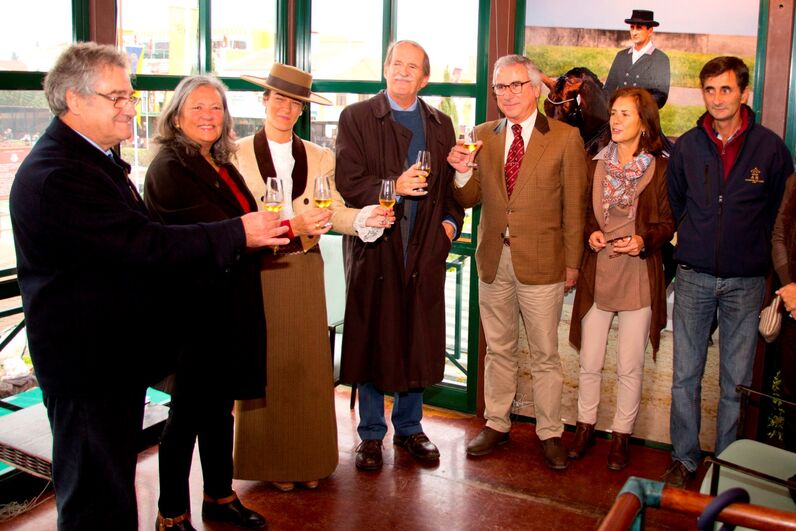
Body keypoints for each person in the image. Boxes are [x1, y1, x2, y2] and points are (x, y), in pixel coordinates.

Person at [8, 42, 289, 531]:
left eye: (129, 96)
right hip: (85, 366)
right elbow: (143, 245)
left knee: (113, 487)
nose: (128, 106)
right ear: (74, 100)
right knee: (97, 499)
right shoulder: (60, 175)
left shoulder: (95, 160)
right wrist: (241, 232)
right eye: (116, 97)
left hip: (109, 360)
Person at [232, 64, 392, 489]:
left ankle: (307, 462)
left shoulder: (320, 157)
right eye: (279, 99)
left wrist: (363, 218)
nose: (286, 108)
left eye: (295, 103)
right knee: (267, 367)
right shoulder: (236, 153)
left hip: (303, 269)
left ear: (302, 110)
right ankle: (272, 465)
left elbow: (333, 209)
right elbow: (232, 218)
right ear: (264, 101)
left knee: (306, 367)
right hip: (257, 271)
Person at [448, 54, 587, 470]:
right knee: (499, 350)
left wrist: (573, 264)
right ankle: (496, 423)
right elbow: (468, 198)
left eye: (515, 85)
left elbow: (575, 208)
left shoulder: (564, 138)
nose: (507, 94)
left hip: (544, 264)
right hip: (493, 261)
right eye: (499, 87)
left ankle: (549, 433)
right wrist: (459, 172)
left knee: (545, 354)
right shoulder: (481, 136)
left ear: (535, 88)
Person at [144, 75, 268, 530]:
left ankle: (219, 496)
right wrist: (278, 228)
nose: (208, 116)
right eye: (197, 108)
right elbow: (216, 232)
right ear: (176, 115)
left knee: (219, 411)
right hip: (192, 312)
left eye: (215, 108)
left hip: (228, 308)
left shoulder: (219, 162)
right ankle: (171, 512)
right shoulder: (169, 168)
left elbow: (251, 221)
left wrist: (282, 230)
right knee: (187, 417)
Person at [335, 40, 464, 471]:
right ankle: (371, 435)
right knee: (374, 338)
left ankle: (410, 429)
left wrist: (448, 229)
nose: (403, 72)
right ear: (385, 69)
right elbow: (349, 183)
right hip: (376, 247)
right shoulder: (356, 117)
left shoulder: (441, 123)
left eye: (413, 67)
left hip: (425, 248)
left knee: (415, 338)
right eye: (397, 64)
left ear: (424, 79)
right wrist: (394, 186)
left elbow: (450, 192)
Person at [663, 56, 792, 488]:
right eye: (710, 90)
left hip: (747, 281)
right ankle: (683, 460)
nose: (717, 99)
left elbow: (781, 217)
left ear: (744, 94)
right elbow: (677, 202)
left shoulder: (770, 148)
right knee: (685, 376)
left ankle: (728, 465)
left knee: (736, 383)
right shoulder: (687, 146)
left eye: (726, 89)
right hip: (695, 276)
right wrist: (696, 238)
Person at [567, 87, 674, 470]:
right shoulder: (594, 162)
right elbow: (583, 213)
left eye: (625, 114)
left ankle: (620, 437)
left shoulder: (660, 168)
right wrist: (589, 233)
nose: (614, 120)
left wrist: (644, 240)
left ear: (644, 123)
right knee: (590, 361)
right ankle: (584, 428)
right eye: (613, 113)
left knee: (630, 366)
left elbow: (667, 223)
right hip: (599, 273)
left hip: (639, 276)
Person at [772, 173, 796, 450]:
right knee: (792, 398)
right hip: (793, 309)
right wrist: (789, 286)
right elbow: (779, 235)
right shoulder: (794, 182)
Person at [604, 10, 670, 109]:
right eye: (632, 27)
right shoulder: (621, 56)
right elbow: (609, 88)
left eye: (639, 28)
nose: (634, 32)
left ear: (650, 31)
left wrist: (637, 106)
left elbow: (661, 96)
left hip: (644, 117)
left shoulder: (660, 59)